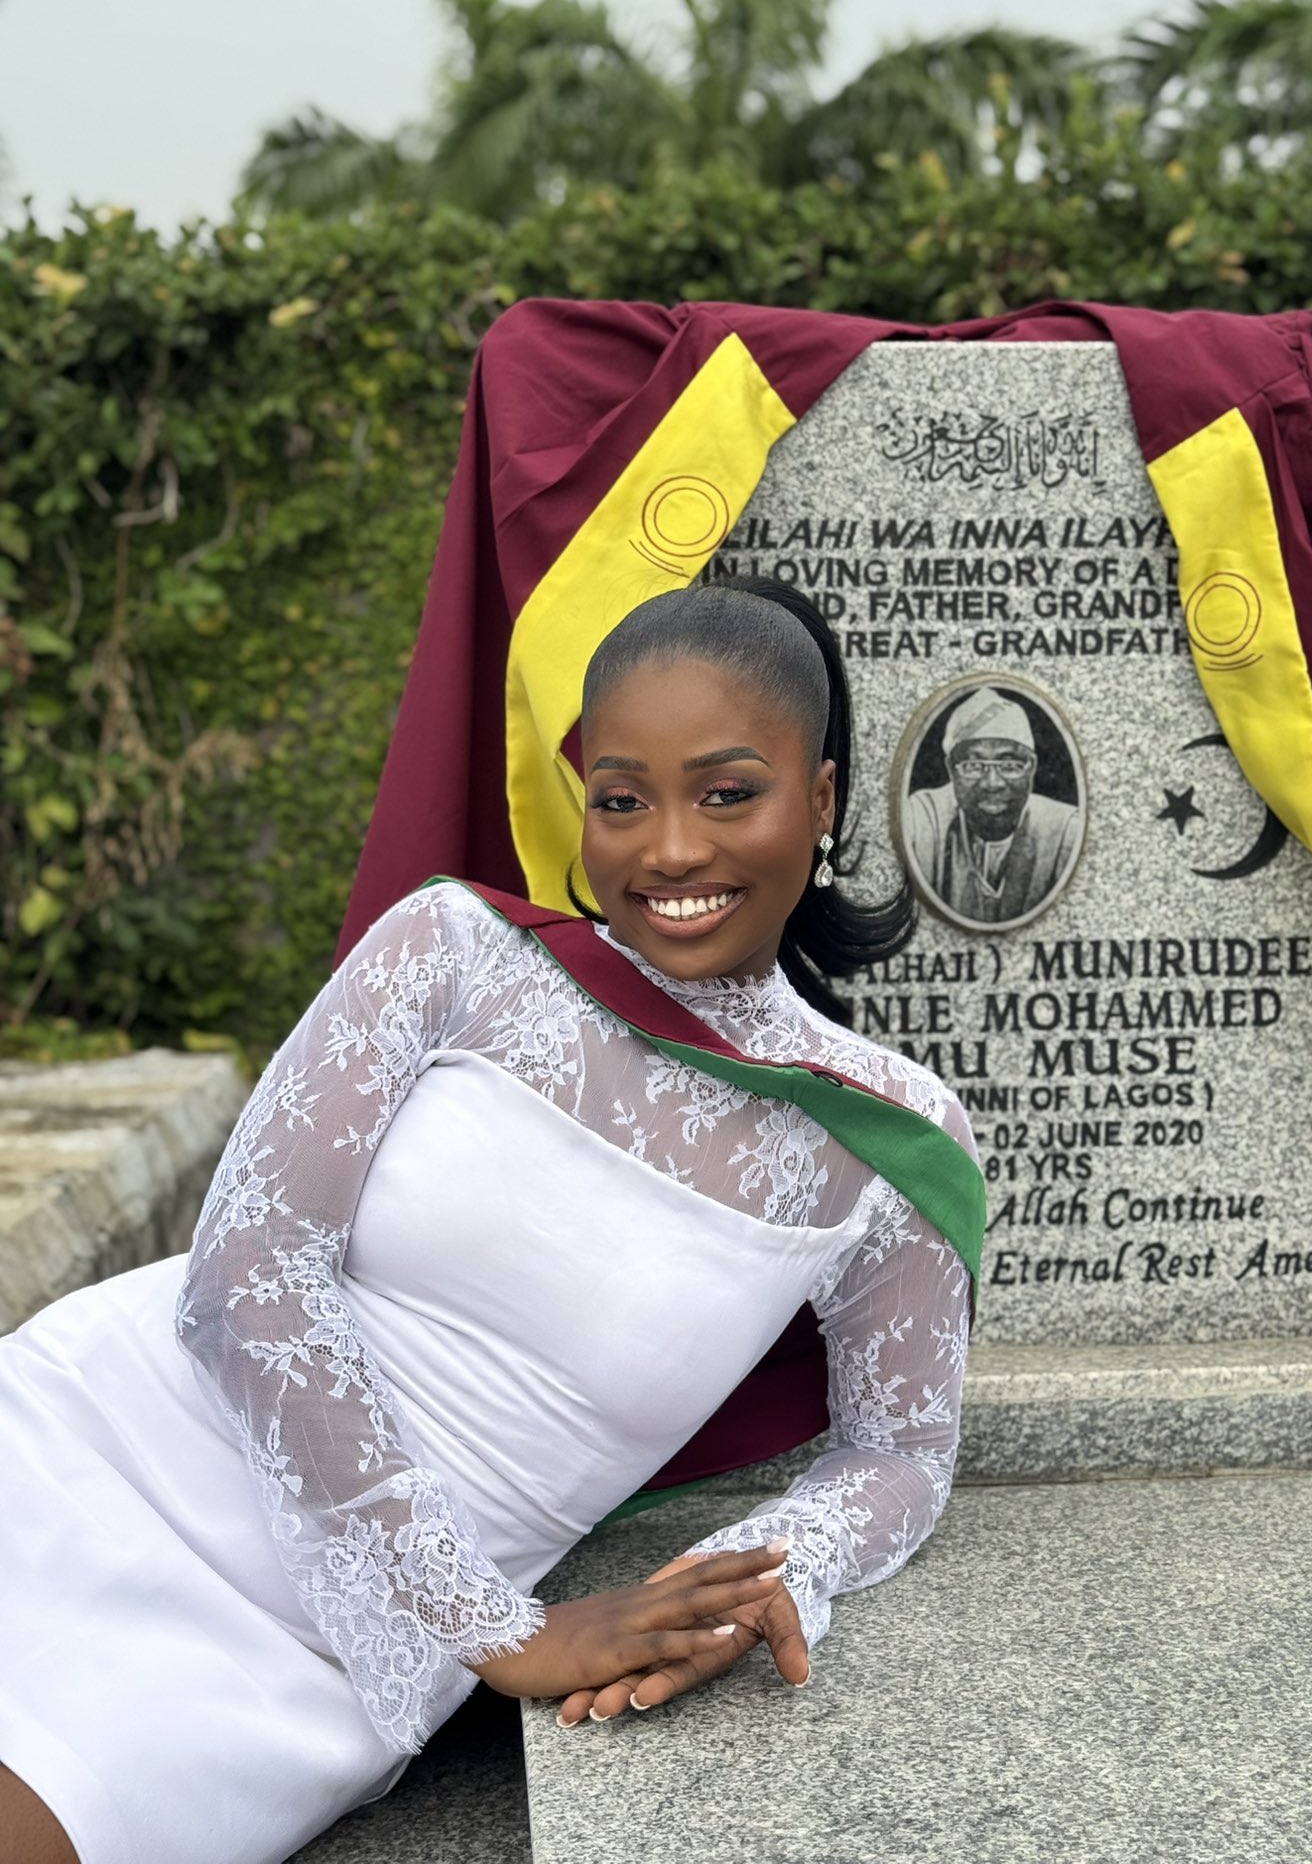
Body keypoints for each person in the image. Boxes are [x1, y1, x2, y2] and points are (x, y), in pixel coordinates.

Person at [0, 579, 982, 1864]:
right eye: (623, 798)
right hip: (103, 1440)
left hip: (308, 1658)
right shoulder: (458, 952)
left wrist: (752, 1574)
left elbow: (900, 1453)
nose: (669, 848)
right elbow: (247, 1268)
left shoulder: (883, 1144)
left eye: (728, 791)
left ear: (829, 799)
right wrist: (498, 1630)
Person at [904, 686, 1081, 926]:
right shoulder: (924, 816)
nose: (992, 783)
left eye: (1009, 765)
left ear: (1031, 768)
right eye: (973, 765)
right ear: (951, 769)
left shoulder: (1065, 829)